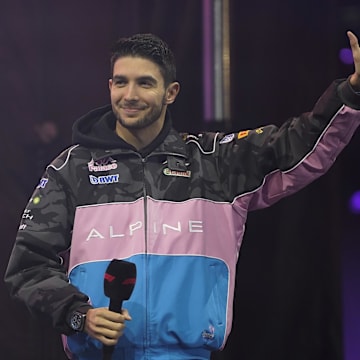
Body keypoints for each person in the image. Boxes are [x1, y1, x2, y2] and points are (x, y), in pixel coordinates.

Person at [4, 32, 360, 360]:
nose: (130, 95)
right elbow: (29, 265)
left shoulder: (214, 162)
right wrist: (79, 315)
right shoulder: (71, 168)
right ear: (110, 86)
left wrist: (351, 92)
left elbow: (296, 144)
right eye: (121, 82)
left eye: (145, 83)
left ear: (171, 92)